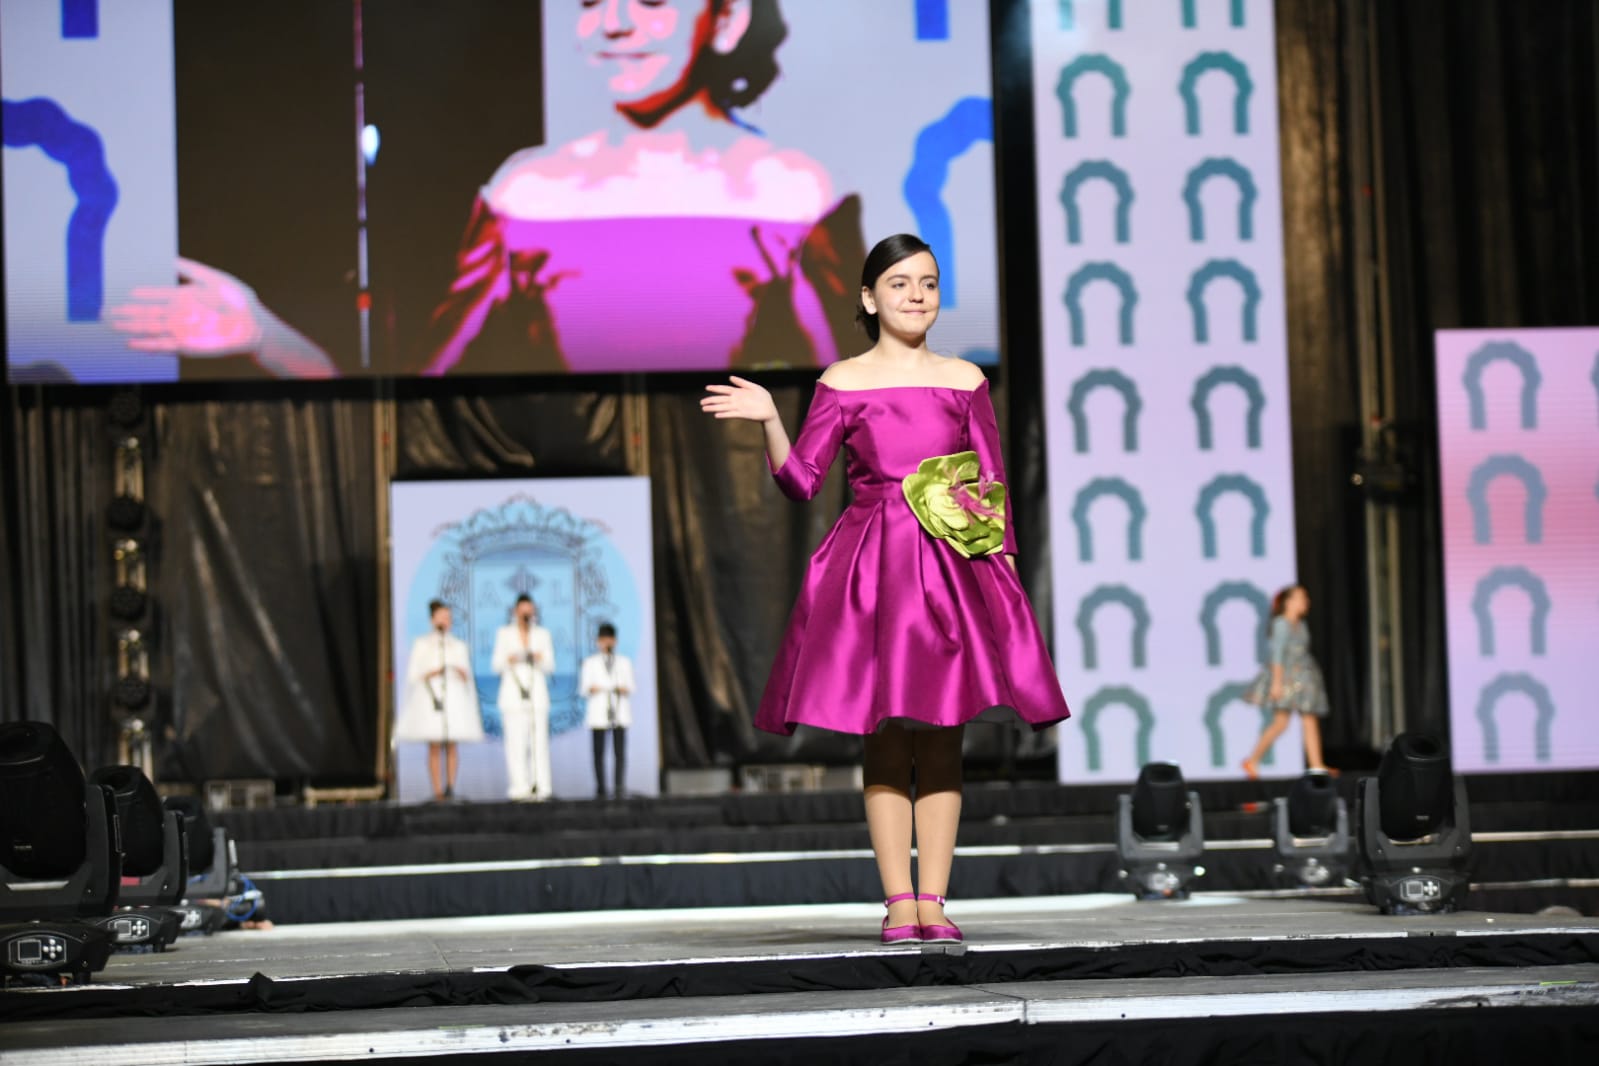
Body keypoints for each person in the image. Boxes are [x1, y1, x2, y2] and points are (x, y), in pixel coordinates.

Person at [700, 234, 1071, 946]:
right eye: (899, 283)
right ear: (869, 298)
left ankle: (934, 898)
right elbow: (800, 482)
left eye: (927, 283)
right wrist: (773, 421)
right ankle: (897, 899)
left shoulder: (964, 379)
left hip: (951, 566)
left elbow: (988, 491)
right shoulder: (840, 382)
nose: (915, 295)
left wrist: (1005, 591)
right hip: (875, 568)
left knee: (942, 734)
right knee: (887, 732)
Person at [416, 0, 865, 375]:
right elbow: (431, 390)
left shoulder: (792, 192)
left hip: (737, 472)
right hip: (571, 475)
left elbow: (853, 401)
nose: (615, 22)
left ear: (726, 19)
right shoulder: (525, 192)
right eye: (591, 0)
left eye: (650, 0)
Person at [395, 600, 484, 801]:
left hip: (453, 697)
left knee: (452, 744)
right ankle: (437, 791)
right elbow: (413, 675)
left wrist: (460, 672)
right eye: (442, 616)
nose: (446, 620)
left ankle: (450, 786)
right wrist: (435, 671)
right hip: (431, 698)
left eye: (448, 617)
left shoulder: (458, 645)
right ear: (433, 619)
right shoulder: (422, 644)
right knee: (434, 745)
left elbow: (467, 675)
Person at [1241, 585, 1332, 778]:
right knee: (1281, 723)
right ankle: (1253, 759)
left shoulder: (1301, 624)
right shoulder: (1281, 624)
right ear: (1288, 602)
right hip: (1287, 679)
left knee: (1309, 717)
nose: (1305, 602)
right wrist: (1276, 683)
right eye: (1301, 598)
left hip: (1303, 677)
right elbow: (1278, 655)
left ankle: (1316, 765)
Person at [491, 595, 557, 801]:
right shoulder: (504, 634)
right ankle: (519, 788)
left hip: (537, 695)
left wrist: (538, 657)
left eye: (530, 611)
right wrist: (510, 658)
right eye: (523, 611)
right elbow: (496, 665)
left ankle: (542, 786)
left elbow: (550, 666)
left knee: (539, 743)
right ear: (515, 612)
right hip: (513, 696)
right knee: (515, 743)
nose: (527, 614)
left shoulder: (542, 634)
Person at [579, 622, 636, 800]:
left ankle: (619, 786)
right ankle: (601, 787)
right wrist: (600, 688)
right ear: (598, 641)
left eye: (609, 639)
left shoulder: (623, 663)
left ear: (615, 641)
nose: (606, 643)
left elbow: (631, 686)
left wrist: (620, 688)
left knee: (620, 752)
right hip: (599, 713)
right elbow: (584, 688)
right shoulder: (590, 662)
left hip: (618, 712)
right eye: (603, 639)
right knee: (599, 752)